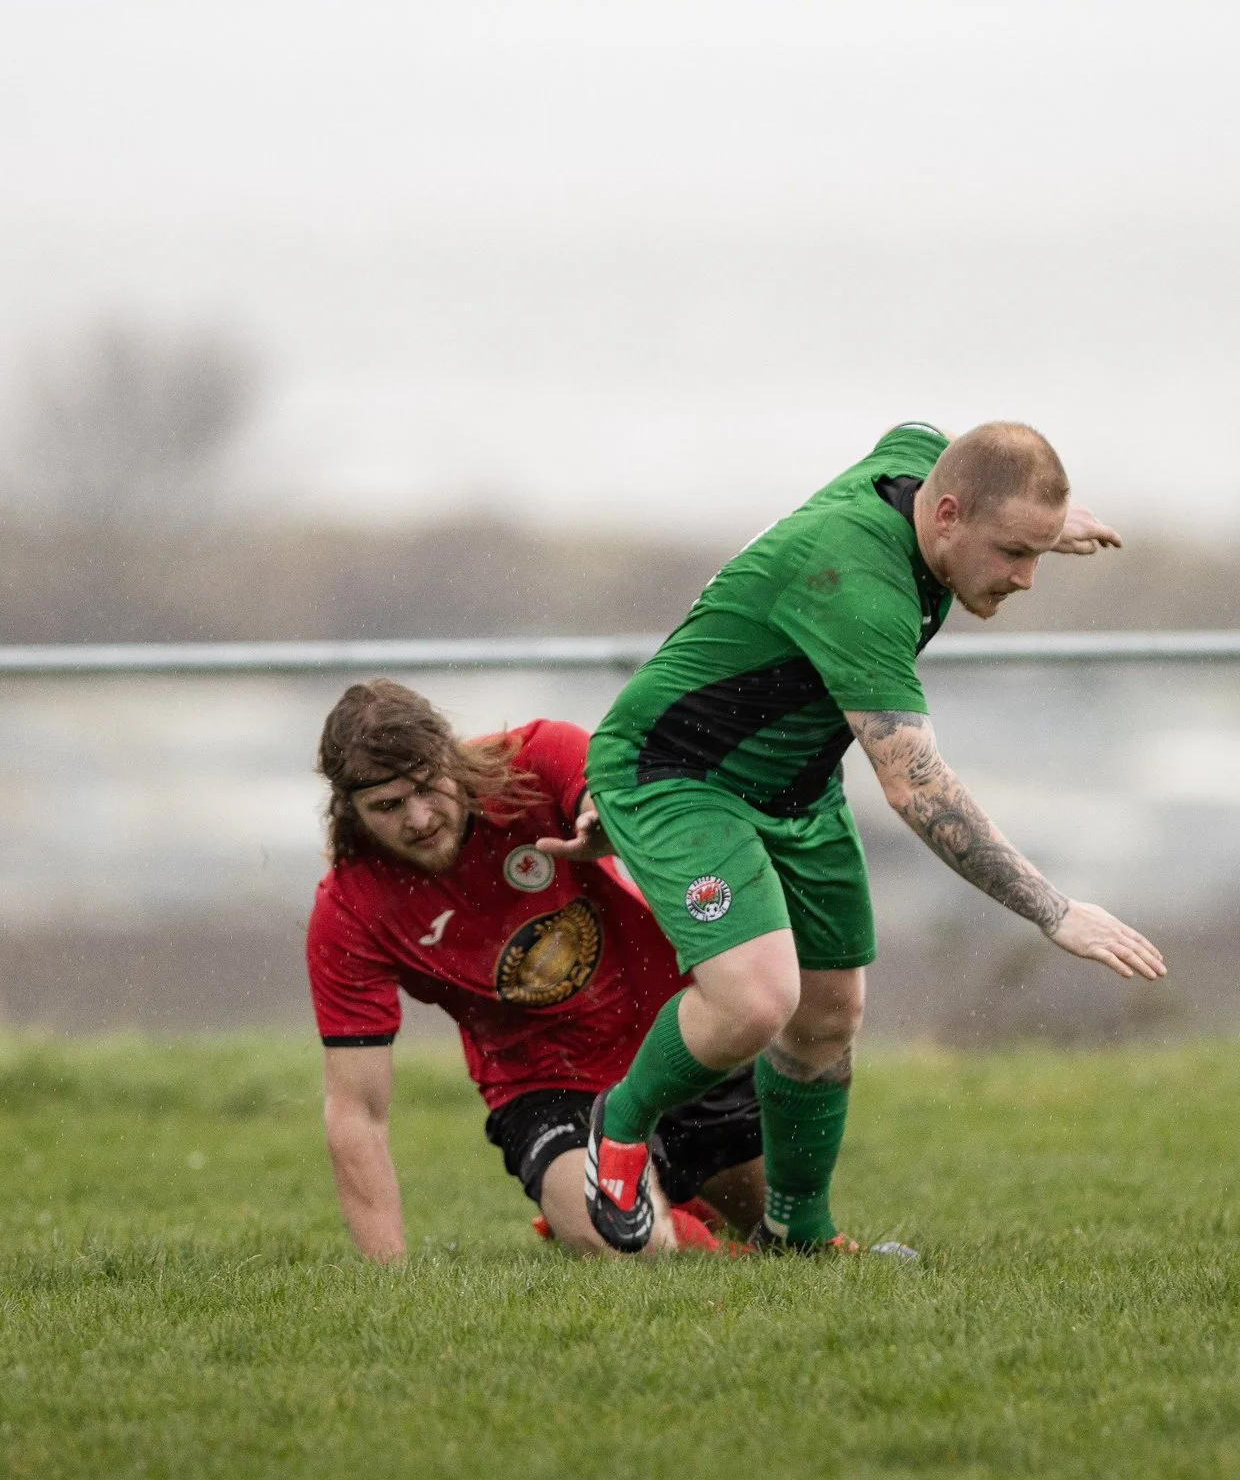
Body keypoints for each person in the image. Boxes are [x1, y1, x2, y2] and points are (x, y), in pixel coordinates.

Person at [574, 420, 1169, 1254]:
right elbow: (918, 788)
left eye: (1035, 553)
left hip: (795, 784)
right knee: (755, 998)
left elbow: (938, 442)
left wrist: (1041, 521)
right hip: (678, 774)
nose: (1026, 577)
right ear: (949, 516)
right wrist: (1051, 910)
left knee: (829, 1013)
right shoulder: (861, 589)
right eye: (1012, 554)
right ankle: (622, 1120)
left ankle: (797, 1237)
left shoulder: (928, 473)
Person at [305, 679, 765, 1260]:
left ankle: (661, 1194)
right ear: (350, 807)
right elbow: (357, 1112)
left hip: (673, 1040)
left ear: (451, 755)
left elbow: (613, 792)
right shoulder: (349, 910)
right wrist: (388, 1277)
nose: (419, 818)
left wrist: (609, 818)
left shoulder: (536, 759)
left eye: (426, 788)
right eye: (388, 806)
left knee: (783, 1224)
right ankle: (609, 1208)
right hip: (547, 1087)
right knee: (633, 1249)